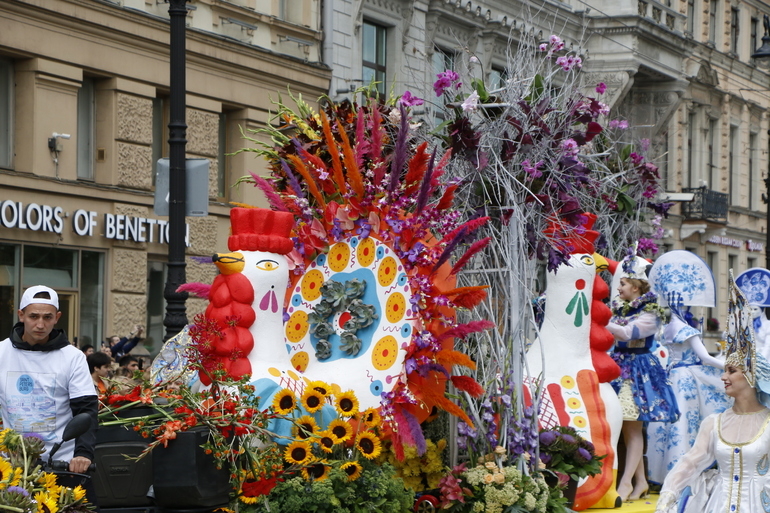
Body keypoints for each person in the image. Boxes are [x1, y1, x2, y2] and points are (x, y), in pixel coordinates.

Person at [656, 273, 770, 513]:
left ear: (751, 377)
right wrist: (667, 497)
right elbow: (690, 463)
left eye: (731, 371)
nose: (723, 377)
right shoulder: (714, 422)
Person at [0, 285, 98, 474]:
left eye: (47, 317)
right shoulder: (2, 352)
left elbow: (86, 410)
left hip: (62, 462)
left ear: (57, 318)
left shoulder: (73, 357)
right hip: (12, 462)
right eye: (33, 316)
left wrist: (83, 454)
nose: (40, 325)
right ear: (21, 315)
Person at [606, 259, 679, 502]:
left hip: (638, 371)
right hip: (619, 367)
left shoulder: (651, 312)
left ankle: (626, 483)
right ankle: (641, 482)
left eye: (623, 283)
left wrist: (602, 320)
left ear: (636, 287)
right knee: (627, 427)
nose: (619, 288)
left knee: (633, 426)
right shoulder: (622, 308)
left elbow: (628, 333)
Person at [646, 300, 730, 484]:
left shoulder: (666, 329)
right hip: (685, 380)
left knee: (670, 426)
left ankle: (665, 474)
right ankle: (683, 475)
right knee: (685, 424)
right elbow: (706, 357)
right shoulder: (686, 330)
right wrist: (731, 367)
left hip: (670, 378)